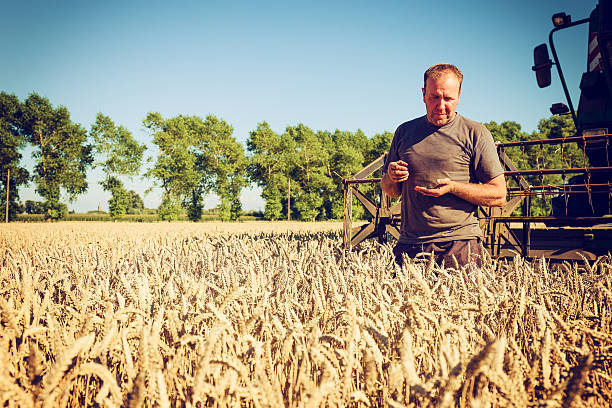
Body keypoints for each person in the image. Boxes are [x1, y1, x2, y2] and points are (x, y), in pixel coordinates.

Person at [381, 63, 506, 268]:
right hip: (411, 246)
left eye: (448, 98)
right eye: (434, 97)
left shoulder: (475, 133)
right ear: (423, 94)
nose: (441, 106)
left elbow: (499, 195)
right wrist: (391, 177)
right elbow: (391, 191)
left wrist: (454, 187)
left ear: (459, 95)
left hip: (460, 246)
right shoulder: (404, 132)